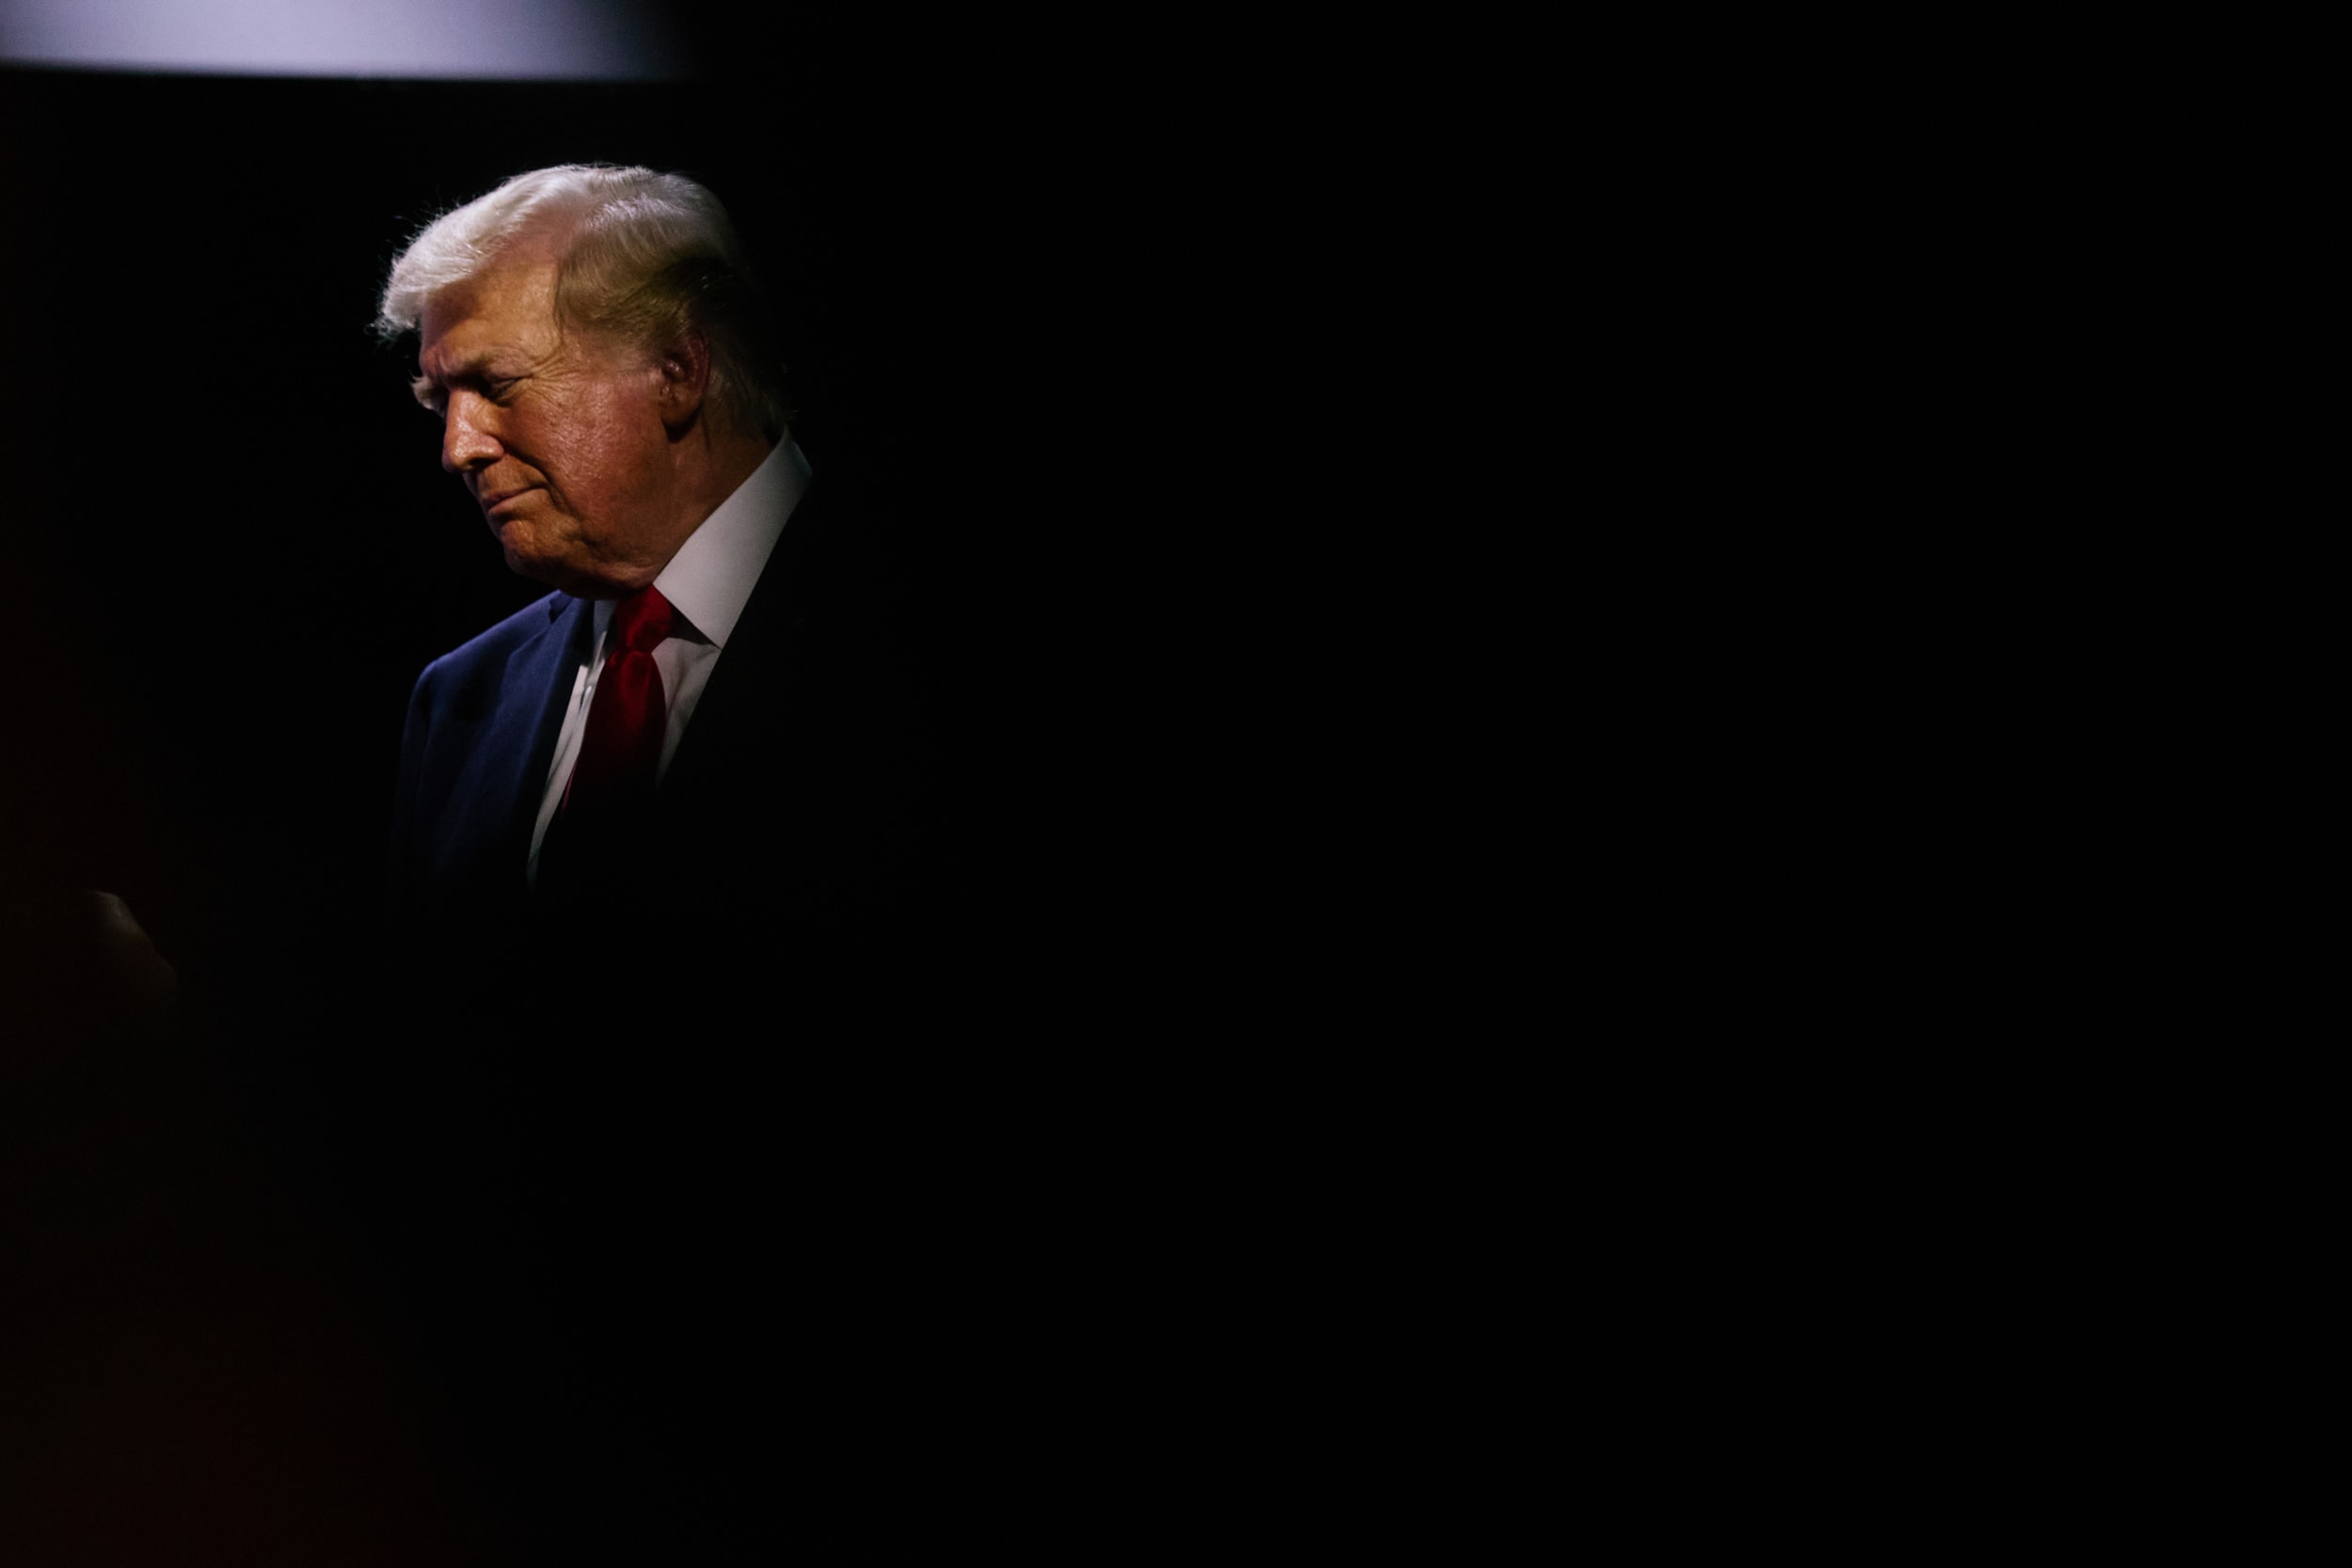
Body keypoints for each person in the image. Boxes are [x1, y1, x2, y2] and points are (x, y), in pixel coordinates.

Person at [369, 166, 951, 1563]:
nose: (458, 445)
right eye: (437, 398)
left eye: (497, 383)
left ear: (680, 369)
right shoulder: (458, 701)